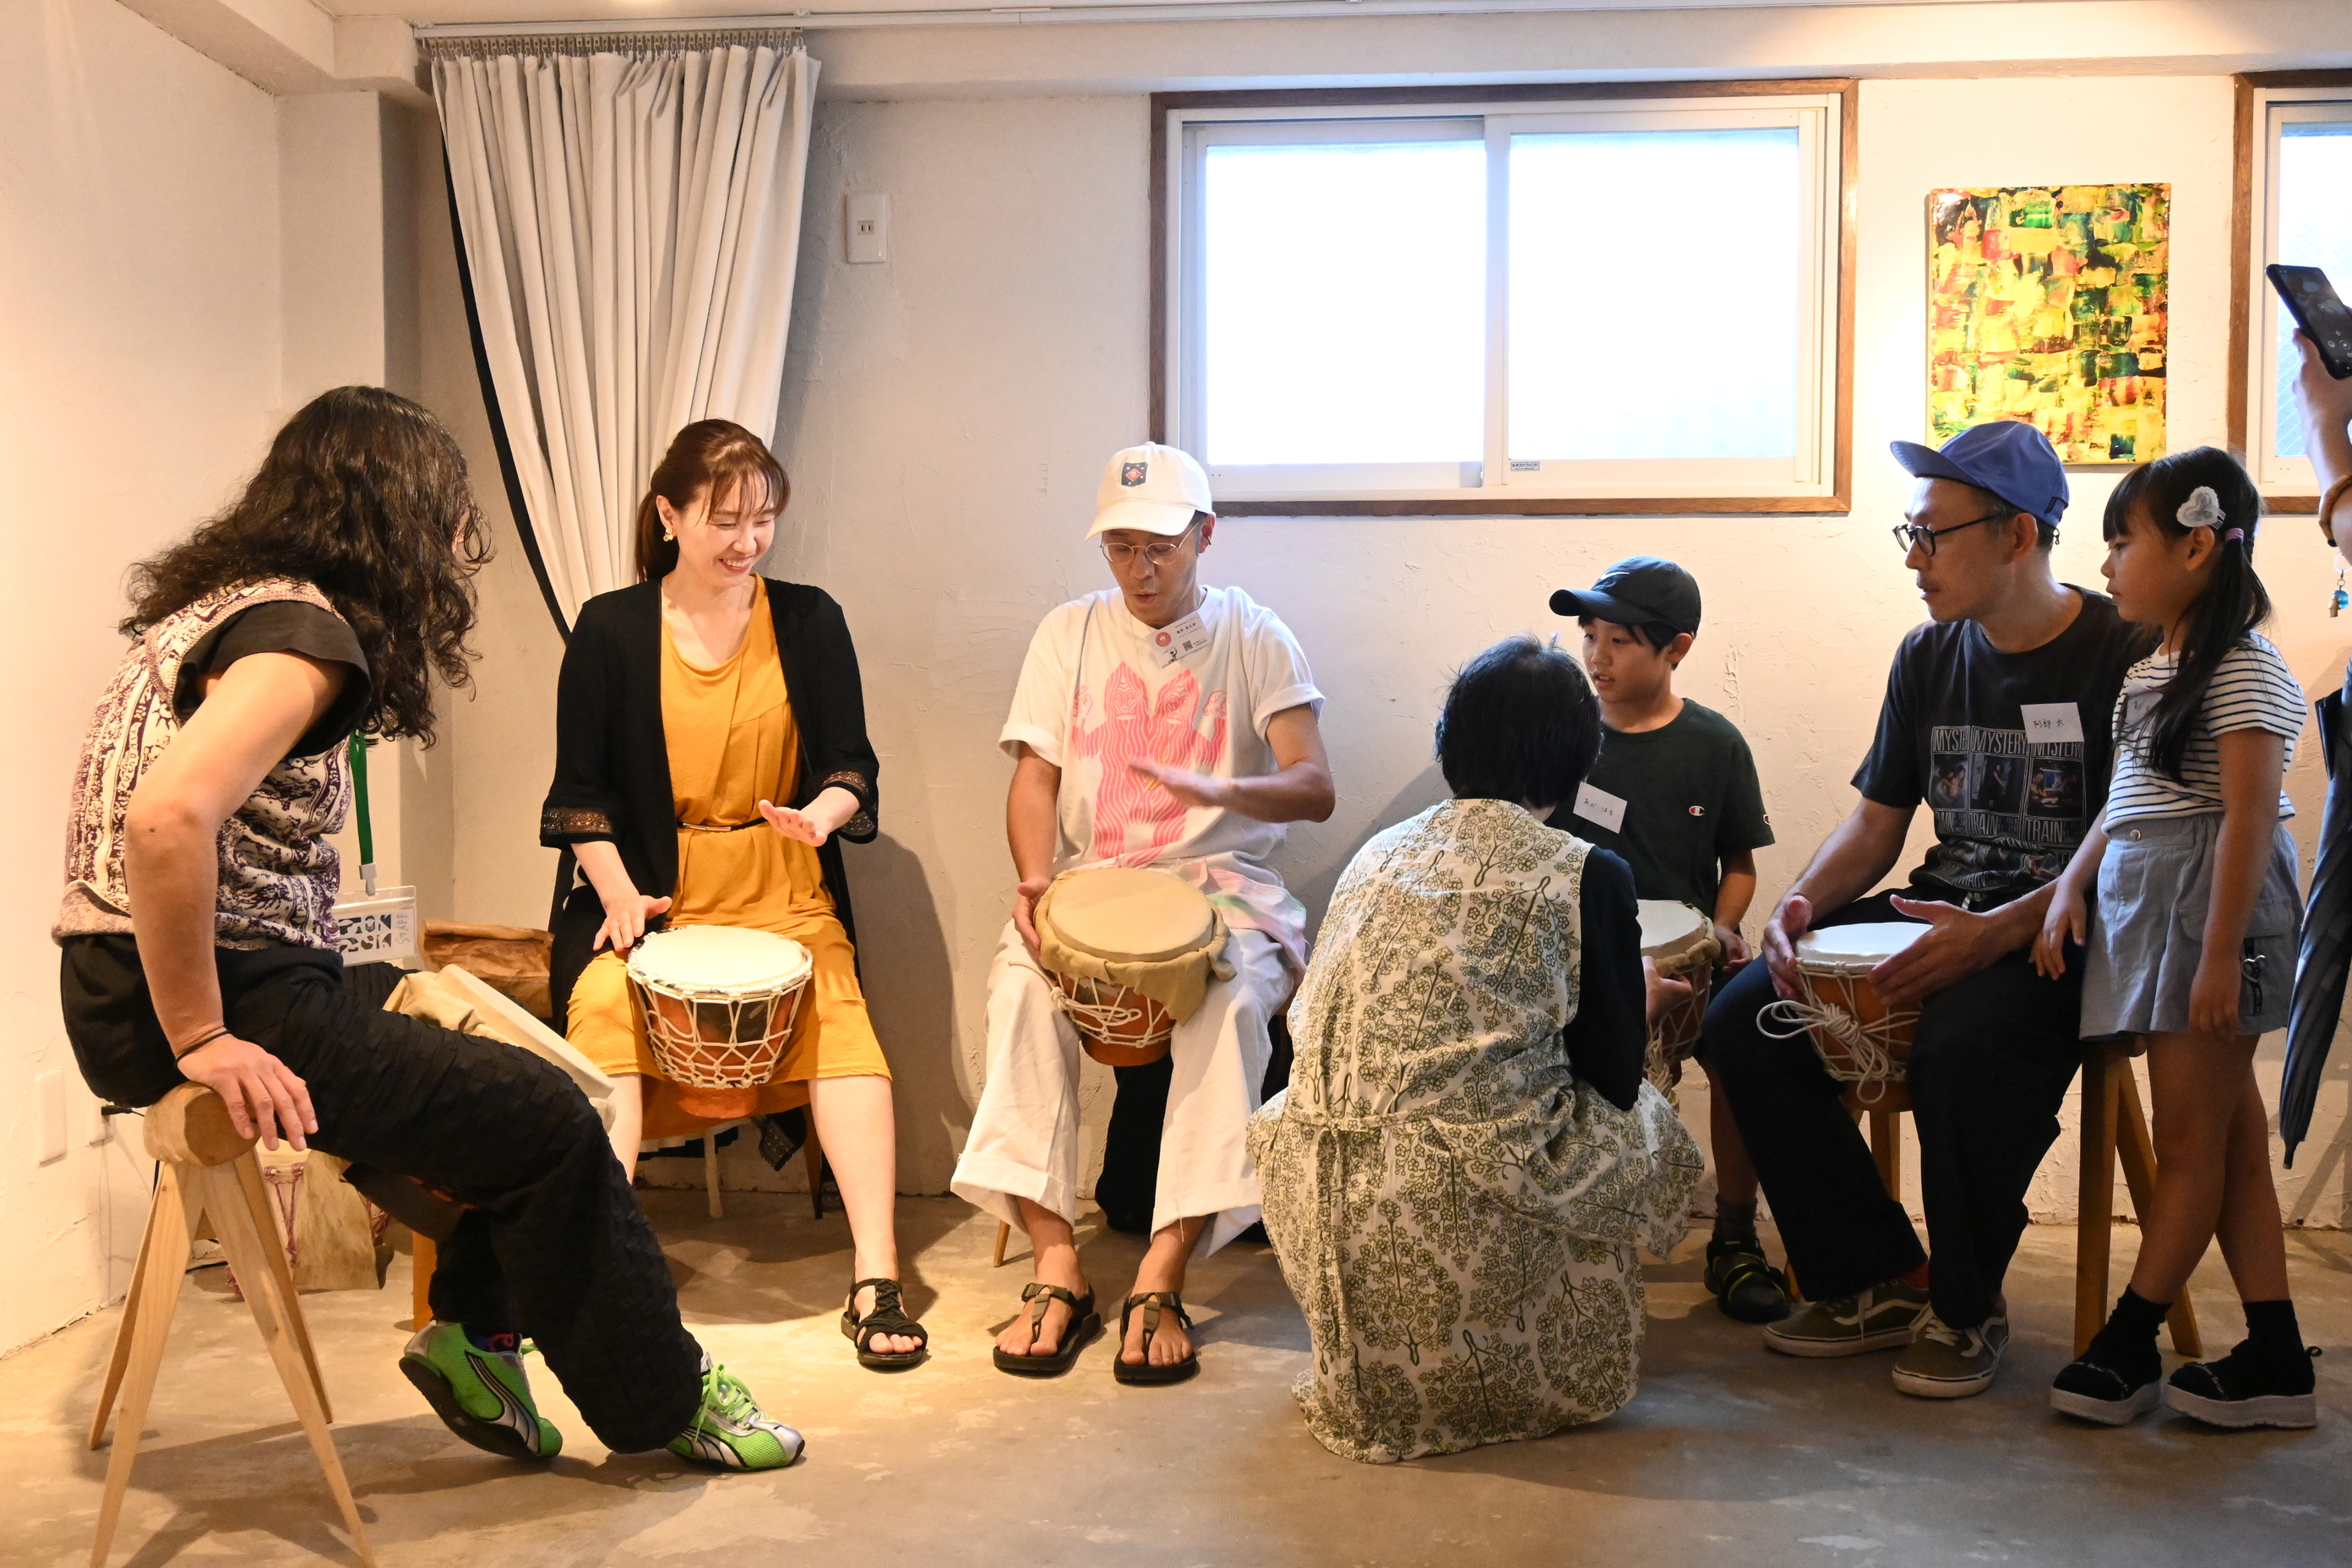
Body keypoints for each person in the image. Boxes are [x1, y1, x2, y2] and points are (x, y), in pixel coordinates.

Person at [55, 387, 801, 1471]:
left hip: (129, 987)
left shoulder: (222, 609)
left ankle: (477, 1342)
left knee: (503, 1092)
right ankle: (666, 1400)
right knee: (555, 1118)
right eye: (447, 512)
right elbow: (165, 819)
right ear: (392, 513)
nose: (456, 543)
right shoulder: (301, 639)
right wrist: (201, 1033)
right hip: (222, 995)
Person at [1699, 419, 2154, 1400]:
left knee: (1965, 1040)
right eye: (1909, 533)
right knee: (1741, 1019)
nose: (1913, 558)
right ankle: (1874, 1275)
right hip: (1943, 904)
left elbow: (2134, 842)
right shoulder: (1927, 654)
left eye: (1932, 534)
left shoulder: (2124, 653)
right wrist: (1803, 903)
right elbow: (1878, 821)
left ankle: (1965, 1301)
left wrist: (1995, 934)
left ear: (2018, 533)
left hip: (2064, 929)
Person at [1248, 637, 1702, 1463]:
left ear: (1449, 742)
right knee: (1642, 1125)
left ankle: (1400, 1358)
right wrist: (1640, 1000)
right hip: (1457, 1206)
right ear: (1578, 759)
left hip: (1323, 1203)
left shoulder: (1379, 854)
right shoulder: (1584, 871)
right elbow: (1609, 1071)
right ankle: (1523, 1361)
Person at [544, 420, 923, 1370]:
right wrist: (619, 897)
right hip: (650, 893)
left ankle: (877, 1274)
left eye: (763, 519)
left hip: (781, 882)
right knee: (603, 1014)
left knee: (841, 1021)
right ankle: (606, 1277)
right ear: (669, 515)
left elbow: (852, 766)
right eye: (725, 520)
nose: (748, 540)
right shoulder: (610, 628)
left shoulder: (810, 619)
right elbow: (579, 796)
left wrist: (820, 818)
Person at [951, 442, 1333, 1383]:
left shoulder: (1254, 634)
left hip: (1222, 885)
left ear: (1205, 534)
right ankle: (1056, 1260)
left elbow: (1315, 785)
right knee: (1020, 987)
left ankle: (1163, 1270)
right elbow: (1034, 775)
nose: (1140, 568)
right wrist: (1036, 880)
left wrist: (1222, 786)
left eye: (1160, 546)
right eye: (1121, 547)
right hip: (1095, 883)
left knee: (1231, 1003)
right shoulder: (1069, 632)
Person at [2038, 448, 2318, 1428]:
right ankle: (2277, 1354)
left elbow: (2248, 816)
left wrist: (2219, 953)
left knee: (2190, 1141)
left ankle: (2129, 1339)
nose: (2106, 562)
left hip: (2212, 919)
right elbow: (2130, 797)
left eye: (2123, 542)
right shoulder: (2151, 669)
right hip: (2156, 914)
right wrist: (2071, 882)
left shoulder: (2245, 667)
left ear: (2196, 547)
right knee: (2229, 1139)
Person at [1547, 558, 1782, 1322]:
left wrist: (1723, 928)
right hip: (1581, 957)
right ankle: (1562, 1229)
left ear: (1677, 648)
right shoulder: (1566, 737)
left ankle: (1735, 1235)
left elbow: (1738, 865)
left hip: (1690, 957)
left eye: (1619, 641)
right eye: (1589, 636)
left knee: (1745, 1047)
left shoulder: (1714, 743)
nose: (1597, 657)